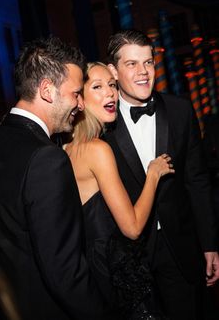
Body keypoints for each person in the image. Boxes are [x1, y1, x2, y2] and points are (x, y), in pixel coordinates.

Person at [0, 37, 120, 320]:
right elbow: (66, 272)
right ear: (47, 90)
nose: (80, 105)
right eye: (74, 94)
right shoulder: (48, 159)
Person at [104, 29, 219, 320]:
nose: (144, 72)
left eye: (148, 62)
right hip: (128, 255)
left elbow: (197, 181)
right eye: (132, 64)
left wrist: (210, 244)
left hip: (179, 246)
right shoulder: (100, 123)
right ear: (113, 71)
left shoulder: (180, 110)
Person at [64, 61, 174, 319]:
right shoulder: (97, 150)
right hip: (118, 280)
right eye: (98, 87)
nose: (111, 93)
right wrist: (153, 174)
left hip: (94, 277)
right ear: (79, 99)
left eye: (112, 86)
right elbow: (133, 228)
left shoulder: (66, 149)